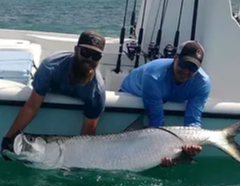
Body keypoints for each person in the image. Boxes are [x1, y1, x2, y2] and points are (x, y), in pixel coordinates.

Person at [1, 30, 106, 159]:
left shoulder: (97, 90)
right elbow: (31, 107)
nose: (89, 60)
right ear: (76, 50)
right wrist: (9, 137)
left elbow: (88, 131)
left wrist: (78, 161)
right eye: (85, 53)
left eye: (95, 56)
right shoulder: (50, 67)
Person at [120, 40, 211, 167]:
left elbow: (193, 121)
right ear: (175, 58)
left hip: (163, 96)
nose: (186, 71)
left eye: (193, 68)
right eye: (184, 64)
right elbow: (157, 123)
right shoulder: (153, 76)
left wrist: (192, 146)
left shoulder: (202, 83)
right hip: (133, 92)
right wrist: (162, 152)